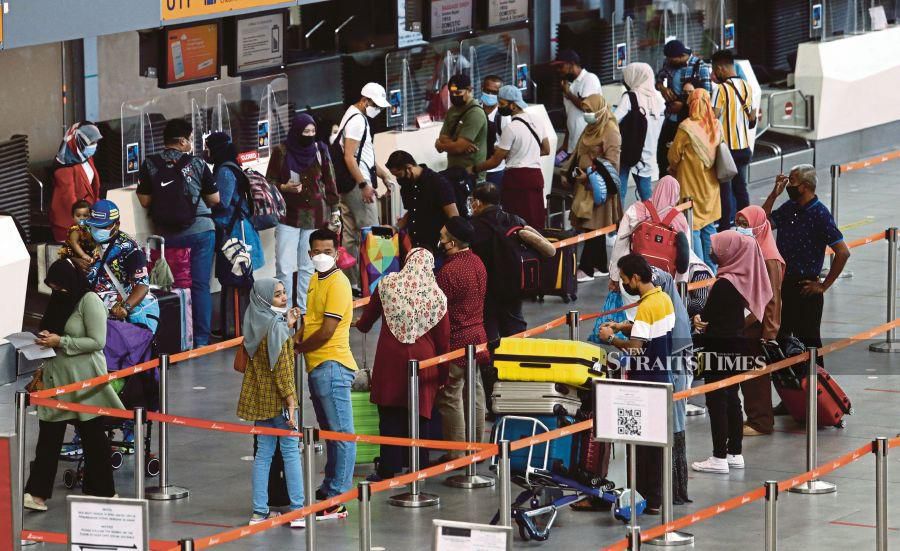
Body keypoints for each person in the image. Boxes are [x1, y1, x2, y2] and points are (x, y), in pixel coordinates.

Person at [23, 259, 124, 511]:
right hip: (56, 379)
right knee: (48, 438)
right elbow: (53, 329)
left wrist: (62, 341)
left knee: (93, 437)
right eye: (53, 286)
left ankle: (103, 492)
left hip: (84, 381)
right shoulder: (59, 300)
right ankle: (36, 494)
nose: (58, 291)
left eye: (61, 286)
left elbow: (97, 341)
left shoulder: (89, 301)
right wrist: (45, 339)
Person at [355, 248, 449, 480]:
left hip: (390, 358)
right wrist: (443, 376)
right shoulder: (437, 296)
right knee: (420, 417)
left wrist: (359, 324)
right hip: (424, 361)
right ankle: (418, 467)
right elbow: (443, 342)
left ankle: (389, 468)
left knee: (388, 416)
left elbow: (367, 321)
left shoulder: (387, 284)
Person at [597, 253, 676, 514]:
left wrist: (611, 338)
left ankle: (643, 498)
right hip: (662, 378)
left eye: (625, 280)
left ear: (636, 277)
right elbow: (651, 331)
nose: (624, 285)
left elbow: (635, 350)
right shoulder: (663, 298)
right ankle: (655, 499)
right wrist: (623, 325)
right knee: (654, 447)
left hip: (645, 384)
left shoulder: (646, 307)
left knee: (640, 448)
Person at [691, 231, 772, 474]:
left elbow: (707, 318)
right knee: (733, 399)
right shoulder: (742, 279)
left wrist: (698, 319)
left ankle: (718, 456)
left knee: (716, 400)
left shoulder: (724, 284)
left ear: (730, 252)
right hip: (736, 345)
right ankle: (735, 452)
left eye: (718, 248)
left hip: (717, 348)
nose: (713, 252)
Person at [137, 118, 220, 347]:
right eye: (191, 139)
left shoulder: (150, 164)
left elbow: (144, 201)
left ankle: (179, 336)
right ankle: (201, 339)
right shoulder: (197, 164)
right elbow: (215, 199)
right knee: (200, 285)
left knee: (173, 287)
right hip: (201, 232)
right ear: (183, 141)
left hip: (169, 236)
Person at [295, 228, 356, 516]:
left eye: (327, 252)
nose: (321, 256)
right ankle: (331, 484)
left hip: (332, 365)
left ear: (337, 252)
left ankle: (337, 499)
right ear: (309, 254)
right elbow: (312, 321)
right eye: (316, 252)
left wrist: (300, 347)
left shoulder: (338, 283)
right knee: (332, 433)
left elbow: (327, 330)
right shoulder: (314, 281)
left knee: (342, 434)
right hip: (318, 366)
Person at [235, 279, 306, 527]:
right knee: (290, 453)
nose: (284, 298)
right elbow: (283, 369)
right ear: (266, 299)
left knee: (263, 455)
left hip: (260, 401)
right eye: (277, 295)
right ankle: (298, 510)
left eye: (284, 293)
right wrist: (291, 403)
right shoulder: (276, 329)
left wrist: (286, 324)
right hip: (279, 402)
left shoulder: (255, 321)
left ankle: (259, 512)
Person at [763, 165, 850, 366]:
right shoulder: (789, 208)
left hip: (805, 288)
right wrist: (773, 195)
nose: (787, 185)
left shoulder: (820, 214)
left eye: (792, 181)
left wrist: (823, 286)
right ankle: (794, 394)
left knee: (809, 341)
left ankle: (817, 391)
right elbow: (763, 222)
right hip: (783, 284)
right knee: (782, 338)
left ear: (805, 186)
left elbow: (843, 252)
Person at [266, 114, 340, 310]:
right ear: (296, 131)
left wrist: (335, 211)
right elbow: (269, 182)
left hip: (315, 215)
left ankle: (305, 312)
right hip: (287, 215)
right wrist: (284, 187)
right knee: (284, 267)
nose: (309, 135)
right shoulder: (281, 151)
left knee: (308, 266)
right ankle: (285, 312)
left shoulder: (320, 149)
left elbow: (330, 180)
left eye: (313, 132)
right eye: (305, 132)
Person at [469, 183, 554, 344]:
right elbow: (547, 248)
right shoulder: (515, 220)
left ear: (478, 202)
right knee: (515, 332)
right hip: (513, 287)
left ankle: (491, 367)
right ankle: (516, 364)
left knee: (489, 335)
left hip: (486, 291)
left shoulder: (473, 226)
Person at [435, 217, 490, 459]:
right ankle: (477, 445)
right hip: (479, 336)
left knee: (451, 395)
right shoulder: (478, 262)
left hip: (457, 340)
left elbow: (439, 310)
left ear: (453, 242)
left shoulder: (448, 272)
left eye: (444, 236)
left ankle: (457, 453)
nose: (441, 241)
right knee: (475, 390)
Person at [332, 83, 394, 295]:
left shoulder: (351, 114)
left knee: (351, 235)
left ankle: (351, 284)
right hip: (358, 185)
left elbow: (364, 156)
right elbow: (350, 157)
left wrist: (384, 175)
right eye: (375, 104)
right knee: (374, 233)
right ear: (365, 100)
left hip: (348, 185)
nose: (377, 109)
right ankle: (380, 283)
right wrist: (365, 185)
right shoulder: (358, 121)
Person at [563, 93, 622, 282]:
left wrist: (589, 175)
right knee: (593, 227)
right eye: (585, 110)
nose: (586, 114)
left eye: (589, 111)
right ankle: (600, 265)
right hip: (584, 186)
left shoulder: (610, 131)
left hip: (598, 188)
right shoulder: (590, 128)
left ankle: (587, 268)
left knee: (593, 227)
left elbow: (613, 164)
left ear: (600, 109)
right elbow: (579, 152)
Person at [735, 205, 783, 436]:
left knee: (756, 377)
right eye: (739, 224)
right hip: (747, 323)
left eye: (746, 225)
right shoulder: (753, 249)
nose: (741, 229)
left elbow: (772, 299)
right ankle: (754, 416)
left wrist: (769, 334)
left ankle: (760, 421)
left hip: (757, 326)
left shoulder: (768, 256)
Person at [475, 85, 550, 229]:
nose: (500, 107)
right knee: (535, 220)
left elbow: (495, 161)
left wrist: (474, 168)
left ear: (513, 105)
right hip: (535, 177)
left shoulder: (512, 128)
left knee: (516, 223)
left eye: (502, 104)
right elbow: (546, 149)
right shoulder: (537, 120)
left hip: (517, 179)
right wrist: (525, 152)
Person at [82, 200, 159, 333]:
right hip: (92, 311)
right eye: (94, 226)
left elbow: (142, 285)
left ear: (116, 225)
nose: (97, 230)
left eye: (103, 227)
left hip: (116, 318)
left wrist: (125, 308)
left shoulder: (129, 248)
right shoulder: (88, 240)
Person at [667, 88, 722, 271]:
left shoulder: (686, 127)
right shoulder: (716, 125)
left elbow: (673, 156)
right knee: (709, 228)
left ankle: (700, 273)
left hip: (691, 187)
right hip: (712, 188)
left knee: (694, 228)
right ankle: (712, 270)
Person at [608, 175, 691, 289]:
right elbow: (684, 256)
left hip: (634, 279)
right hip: (665, 283)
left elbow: (620, 245)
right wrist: (680, 284)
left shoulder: (636, 210)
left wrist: (615, 277)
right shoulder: (681, 220)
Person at [206, 132, 265, 274]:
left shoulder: (224, 171)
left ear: (217, 149)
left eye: (208, 149)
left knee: (238, 275)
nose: (206, 153)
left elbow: (222, 202)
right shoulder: (232, 165)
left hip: (235, 229)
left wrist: (206, 199)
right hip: (240, 225)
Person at [711, 50, 754, 232]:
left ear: (721, 68)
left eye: (715, 70)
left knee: (725, 191)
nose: (714, 74)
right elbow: (751, 115)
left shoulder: (720, 90)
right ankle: (747, 224)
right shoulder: (746, 86)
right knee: (741, 188)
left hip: (727, 151)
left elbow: (713, 118)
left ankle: (725, 227)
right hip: (744, 147)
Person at [656, 40, 712, 175]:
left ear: (681, 56)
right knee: (663, 157)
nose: (668, 61)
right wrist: (662, 88)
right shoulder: (669, 63)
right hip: (670, 119)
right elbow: (659, 77)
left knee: (683, 160)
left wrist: (683, 105)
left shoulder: (700, 67)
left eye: (671, 58)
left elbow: (706, 96)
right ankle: (666, 190)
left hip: (688, 121)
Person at [386, 150, 459, 250]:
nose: (398, 179)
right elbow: (412, 212)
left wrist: (448, 243)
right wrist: (396, 227)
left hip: (437, 247)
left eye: (399, 175)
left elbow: (454, 217)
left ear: (409, 168)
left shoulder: (438, 183)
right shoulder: (406, 186)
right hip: (417, 246)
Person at [615, 63, 665, 205]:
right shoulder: (659, 98)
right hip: (649, 151)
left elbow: (614, 120)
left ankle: (617, 224)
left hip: (628, 149)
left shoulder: (630, 97)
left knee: (621, 190)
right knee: (646, 193)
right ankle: (652, 223)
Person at [49, 122, 103, 243]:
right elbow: (69, 201)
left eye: (95, 142)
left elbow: (92, 189)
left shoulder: (86, 158)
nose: (94, 146)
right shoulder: (64, 168)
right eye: (91, 143)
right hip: (69, 226)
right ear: (79, 141)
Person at [436, 74, 488, 183]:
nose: (454, 96)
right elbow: (443, 138)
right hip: (452, 172)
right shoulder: (452, 111)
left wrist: (442, 145)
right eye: (451, 93)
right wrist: (454, 144)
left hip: (471, 175)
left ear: (469, 90)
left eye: (458, 93)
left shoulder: (475, 113)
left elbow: (458, 147)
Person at [552, 49, 603, 155]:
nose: (558, 70)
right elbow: (569, 116)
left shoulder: (589, 79)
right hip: (574, 144)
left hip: (588, 143)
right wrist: (565, 144)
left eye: (561, 66)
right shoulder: (570, 85)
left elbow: (587, 107)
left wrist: (569, 94)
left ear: (571, 64)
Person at [480, 74, 508, 187]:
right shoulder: (475, 110)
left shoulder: (503, 116)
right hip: (476, 168)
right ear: (482, 89)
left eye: (495, 92)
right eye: (487, 91)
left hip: (495, 171)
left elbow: (508, 146)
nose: (490, 95)